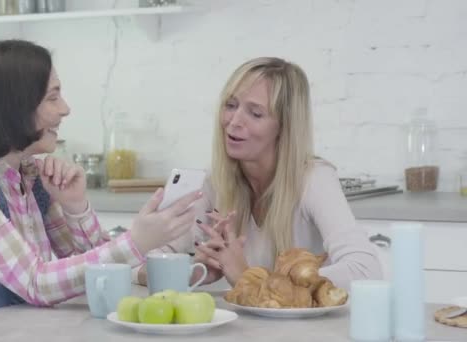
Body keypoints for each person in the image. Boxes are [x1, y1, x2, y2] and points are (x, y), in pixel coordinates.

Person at [0, 40, 201, 332]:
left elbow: (91, 273)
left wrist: (76, 207)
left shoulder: (27, 175)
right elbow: (37, 282)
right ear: (12, 107)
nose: (66, 109)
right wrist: (136, 241)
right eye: (52, 97)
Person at [136, 57, 382, 290]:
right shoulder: (212, 183)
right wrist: (194, 270)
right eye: (231, 106)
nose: (234, 122)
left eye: (255, 113)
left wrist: (252, 280)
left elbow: (365, 270)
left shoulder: (313, 179)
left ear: (284, 127)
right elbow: (142, 265)